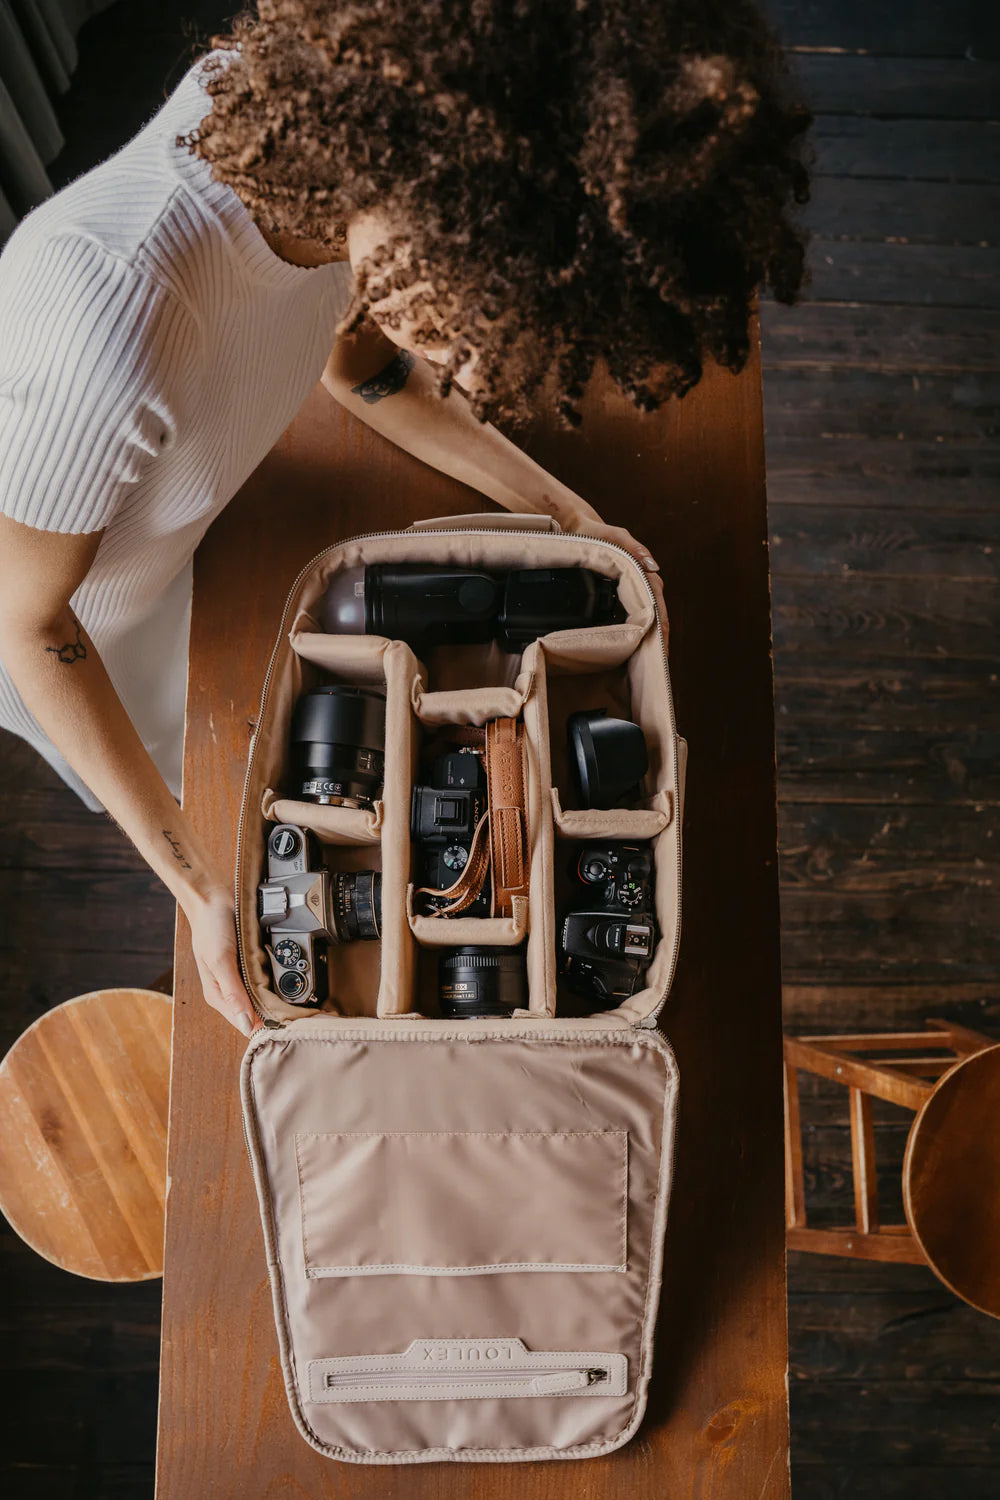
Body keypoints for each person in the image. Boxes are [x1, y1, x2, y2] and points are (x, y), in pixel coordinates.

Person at [0, 0, 809, 1036]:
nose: (473, 367)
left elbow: (362, 369)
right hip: (88, 633)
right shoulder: (111, 316)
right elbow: (31, 628)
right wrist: (200, 889)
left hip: (177, 518)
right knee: (190, 777)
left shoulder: (324, 145)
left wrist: (567, 513)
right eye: (478, 309)